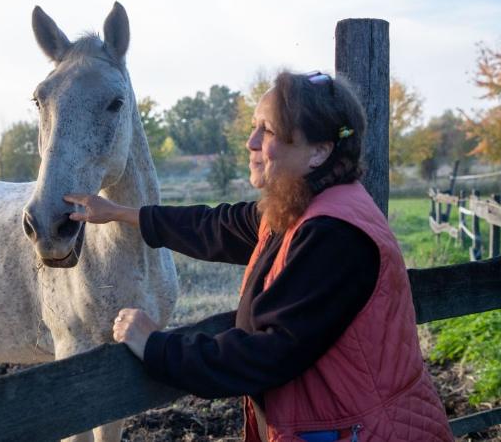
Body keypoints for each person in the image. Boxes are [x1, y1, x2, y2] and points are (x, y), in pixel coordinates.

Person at [64, 71, 453, 442]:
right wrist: (117, 213)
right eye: (255, 126)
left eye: (267, 130)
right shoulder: (303, 206)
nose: (250, 142)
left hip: (360, 431)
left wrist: (155, 346)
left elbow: (265, 355)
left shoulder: (333, 235)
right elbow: (215, 226)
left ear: (318, 151)